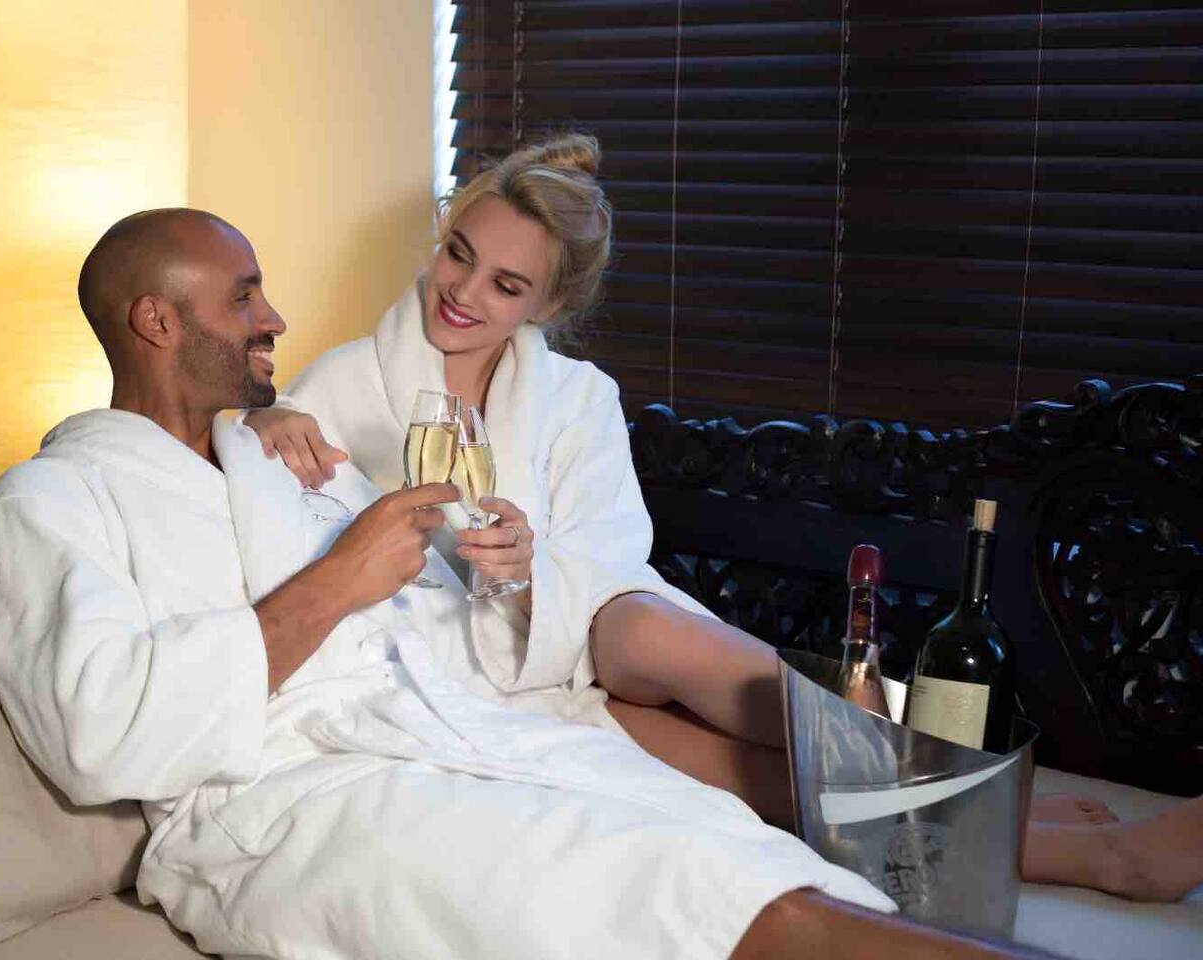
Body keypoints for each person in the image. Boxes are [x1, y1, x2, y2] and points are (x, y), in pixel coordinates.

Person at [0, 207, 1063, 960]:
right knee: (675, 885)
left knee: (740, 852)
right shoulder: (48, 504)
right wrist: (338, 581)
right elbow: (104, 735)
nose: (276, 318)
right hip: (289, 802)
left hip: (460, 736)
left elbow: (439, 639)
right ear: (156, 320)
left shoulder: (277, 464)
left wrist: (489, 577)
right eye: (244, 299)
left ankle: (931, 796)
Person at [245, 135, 1203, 904]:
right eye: (460, 253)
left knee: (642, 627)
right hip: (491, 680)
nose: (463, 292)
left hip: (592, 629)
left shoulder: (576, 396)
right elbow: (286, 533)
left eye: (506, 283)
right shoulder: (340, 386)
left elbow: (610, 552)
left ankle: (960, 772)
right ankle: (1087, 850)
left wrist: (531, 572)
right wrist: (260, 420)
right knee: (746, 778)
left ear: (551, 302)